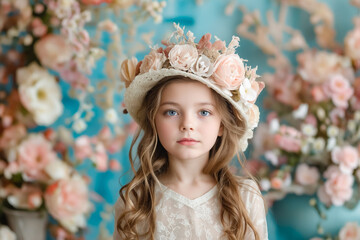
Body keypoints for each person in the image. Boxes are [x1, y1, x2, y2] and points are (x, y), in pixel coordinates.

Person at [114, 23, 268, 240]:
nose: (187, 125)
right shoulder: (136, 200)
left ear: (222, 125)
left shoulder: (245, 196)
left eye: (204, 112)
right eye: (171, 112)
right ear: (154, 121)